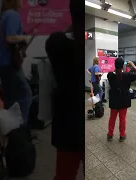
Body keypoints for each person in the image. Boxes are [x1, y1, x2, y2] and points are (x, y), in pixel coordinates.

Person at [45, 0, 84, 179]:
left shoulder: (60, 48)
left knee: (64, 175)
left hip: (68, 126)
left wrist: (74, 26)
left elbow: (55, 37)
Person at [0, 0, 32, 123]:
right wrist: (25, 37)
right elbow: (10, 37)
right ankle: (20, 128)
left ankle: (9, 128)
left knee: (10, 97)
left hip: (0, 63)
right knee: (26, 95)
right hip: (10, 64)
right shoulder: (12, 15)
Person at [107, 58, 136, 142]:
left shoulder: (110, 75)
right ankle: (122, 135)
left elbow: (114, 72)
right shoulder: (128, 75)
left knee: (112, 118)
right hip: (124, 101)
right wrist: (133, 65)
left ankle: (110, 134)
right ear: (123, 66)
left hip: (114, 100)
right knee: (122, 118)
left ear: (115, 65)